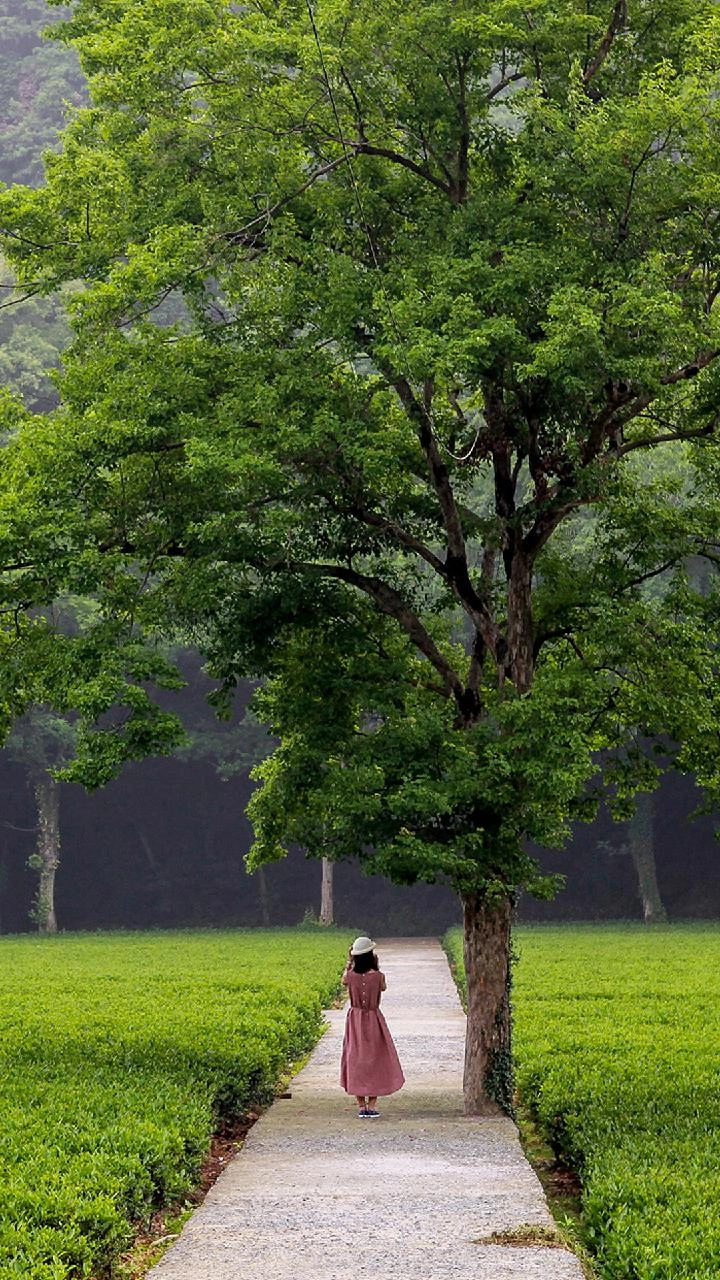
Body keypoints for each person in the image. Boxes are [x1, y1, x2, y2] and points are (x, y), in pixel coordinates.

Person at [339, 935, 405, 1117]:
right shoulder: (378, 976)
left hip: (355, 1020)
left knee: (356, 1059)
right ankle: (373, 1104)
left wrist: (349, 962)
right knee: (375, 1058)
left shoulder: (350, 976)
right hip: (374, 1019)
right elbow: (383, 987)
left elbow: (344, 980)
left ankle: (361, 1106)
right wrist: (376, 966)